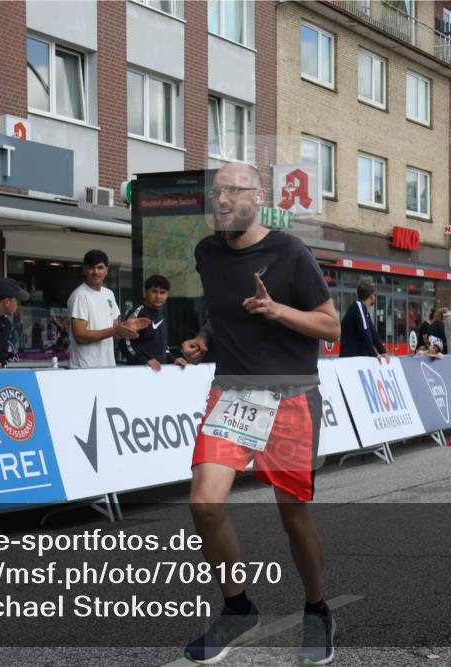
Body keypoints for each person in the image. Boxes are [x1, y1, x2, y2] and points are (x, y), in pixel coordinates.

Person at [179, 162, 341, 665]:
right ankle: (238, 608)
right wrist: (204, 339)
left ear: (259, 195)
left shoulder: (290, 252)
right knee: (205, 503)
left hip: (290, 396)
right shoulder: (207, 251)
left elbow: (331, 326)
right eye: (216, 192)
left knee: (293, 515)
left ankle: (317, 610)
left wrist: (278, 312)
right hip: (232, 393)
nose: (223, 200)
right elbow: (222, 310)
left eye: (233, 190)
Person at [67, 250, 150, 369]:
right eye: (91, 267)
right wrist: (116, 329)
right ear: (84, 270)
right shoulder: (80, 295)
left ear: (106, 269)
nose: (96, 272)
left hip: (107, 368)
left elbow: (114, 335)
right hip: (84, 369)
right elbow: (80, 336)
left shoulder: (109, 294)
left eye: (100, 267)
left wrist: (126, 328)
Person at [121, 274, 187, 371]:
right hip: (140, 372)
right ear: (146, 292)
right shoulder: (138, 312)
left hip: (159, 372)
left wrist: (174, 359)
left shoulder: (162, 313)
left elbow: (162, 346)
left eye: (162, 292)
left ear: (167, 294)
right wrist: (144, 361)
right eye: (154, 291)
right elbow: (124, 342)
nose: (158, 296)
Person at [339, 280, 387, 362]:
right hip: (350, 360)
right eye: (375, 295)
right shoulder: (359, 306)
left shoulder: (364, 311)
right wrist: (374, 354)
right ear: (371, 296)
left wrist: (382, 352)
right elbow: (365, 332)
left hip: (357, 358)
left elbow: (373, 332)